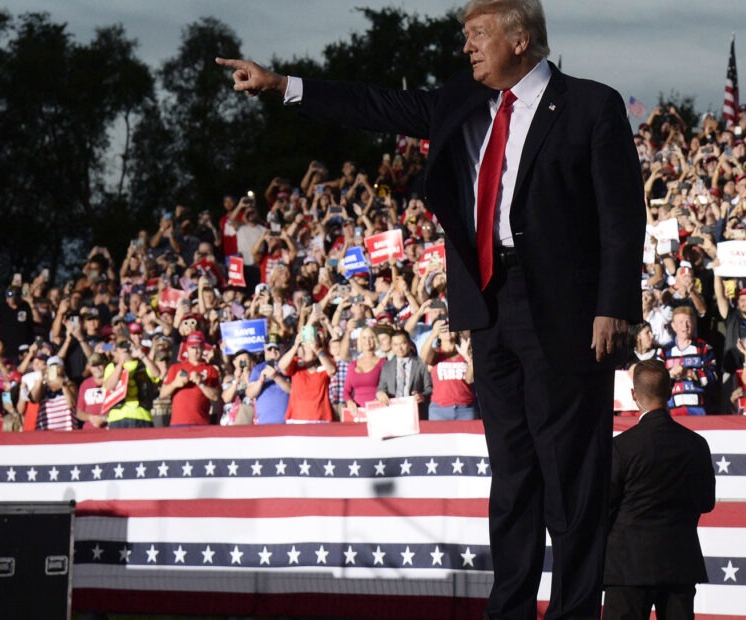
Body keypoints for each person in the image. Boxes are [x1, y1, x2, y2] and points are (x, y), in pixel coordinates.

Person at [218, 1, 644, 612]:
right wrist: (284, 84)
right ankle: (511, 607)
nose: (467, 47)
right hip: (490, 306)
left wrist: (613, 305)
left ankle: (576, 609)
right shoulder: (460, 101)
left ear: (520, 40)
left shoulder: (590, 105)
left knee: (572, 474)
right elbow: (375, 105)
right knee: (513, 472)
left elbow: (622, 215)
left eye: (477, 35)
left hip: (568, 310)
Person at [603, 359, 714, 620]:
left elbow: (604, 506)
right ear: (671, 389)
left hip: (627, 566)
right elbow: (706, 502)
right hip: (679, 563)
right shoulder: (696, 445)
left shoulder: (622, 447)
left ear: (633, 395)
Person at [663, 306, 717, 416]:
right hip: (671, 410)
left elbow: (714, 376)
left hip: (699, 411)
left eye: (688, 321)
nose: (685, 326)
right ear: (673, 326)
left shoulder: (704, 348)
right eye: (680, 322)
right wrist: (670, 375)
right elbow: (656, 381)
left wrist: (689, 373)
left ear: (693, 324)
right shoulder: (664, 351)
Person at [161, 331, 221, 426]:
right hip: (178, 423)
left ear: (203, 348)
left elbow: (216, 396)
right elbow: (163, 394)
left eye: (198, 347)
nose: (195, 351)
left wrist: (201, 384)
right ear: (187, 348)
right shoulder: (175, 368)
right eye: (192, 348)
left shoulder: (211, 369)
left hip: (201, 423)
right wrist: (175, 384)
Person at [421, 320, 477, 421]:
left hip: (465, 408)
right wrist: (433, 334)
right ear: (439, 335)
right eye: (443, 328)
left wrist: (469, 359)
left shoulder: (465, 351)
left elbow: (470, 379)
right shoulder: (436, 353)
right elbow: (424, 358)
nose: (447, 330)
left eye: (450, 327)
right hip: (439, 409)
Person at [376, 329, 432, 419]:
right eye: (396, 345)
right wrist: (380, 393)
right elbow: (381, 387)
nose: (399, 348)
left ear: (409, 344)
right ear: (392, 346)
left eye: (403, 343)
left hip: (415, 412)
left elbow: (429, 388)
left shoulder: (420, 364)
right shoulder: (387, 366)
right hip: (393, 412)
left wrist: (422, 396)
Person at [246, 334, 291, 424]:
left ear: (282, 349)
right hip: (265, 423)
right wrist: (261, 380)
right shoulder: (258, 369)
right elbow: (250, 394)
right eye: (270, 349)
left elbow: (293, 390)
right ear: (265, 350)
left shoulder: (289, 366)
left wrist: (276, 377)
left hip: (288, 423)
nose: (273, 352)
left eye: (276, 348)